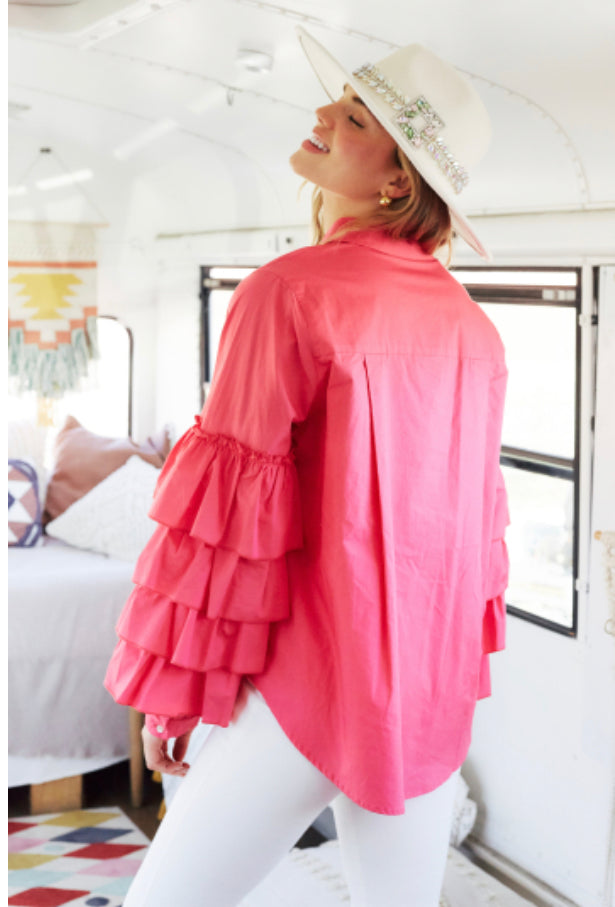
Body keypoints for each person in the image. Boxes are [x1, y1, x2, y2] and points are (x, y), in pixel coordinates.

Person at [105, 26, 509, 907]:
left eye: (356, 115)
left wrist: (174, 693)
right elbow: (473, 540)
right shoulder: (476, 331)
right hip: (428, 697)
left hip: (310, 687)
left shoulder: (287, 291)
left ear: (398, 177)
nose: (322, 112)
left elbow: (218, 525)